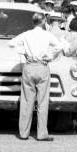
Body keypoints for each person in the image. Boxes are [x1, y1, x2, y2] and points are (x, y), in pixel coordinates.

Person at [11, 11, 64, 140]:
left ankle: (24, 132)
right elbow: (59, 46)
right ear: (43, 22)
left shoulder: (26, 34)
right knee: (42, 101)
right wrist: (49, 56)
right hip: (42, 66)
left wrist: (23, 52)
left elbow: (11, 43)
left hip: (29, 66)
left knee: (26, 101)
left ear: (33, 22)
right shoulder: (47, 35)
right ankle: (41, 133)